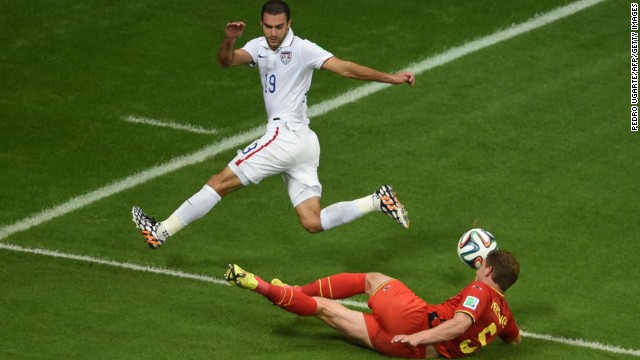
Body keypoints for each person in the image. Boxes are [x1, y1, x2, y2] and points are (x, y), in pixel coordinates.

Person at [131, 0, 415, 248]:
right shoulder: (258, 46)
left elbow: (345, 68)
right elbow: (226, 61)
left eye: (279, 27)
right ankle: (378, 200)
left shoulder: (303, 48)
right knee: (312, 221)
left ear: (289, 23)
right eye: (268, 26)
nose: (273, 33)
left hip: (285, 137)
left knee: (219, 182)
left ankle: (161, 231)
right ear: (261, 24)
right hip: (304, 143)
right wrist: (229, 39)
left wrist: (391, 78)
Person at [225, 250, 521, 359]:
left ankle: (290, 289)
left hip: (416, 324)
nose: (478, 270)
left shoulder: (481, 289)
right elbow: (515, 340)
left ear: (490, 272)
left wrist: (418, 334)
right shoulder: (505, 315)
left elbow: (459, 324)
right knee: (323, 308)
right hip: (406, 350)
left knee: (371, 279)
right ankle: (259, 285)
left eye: (482, 266)